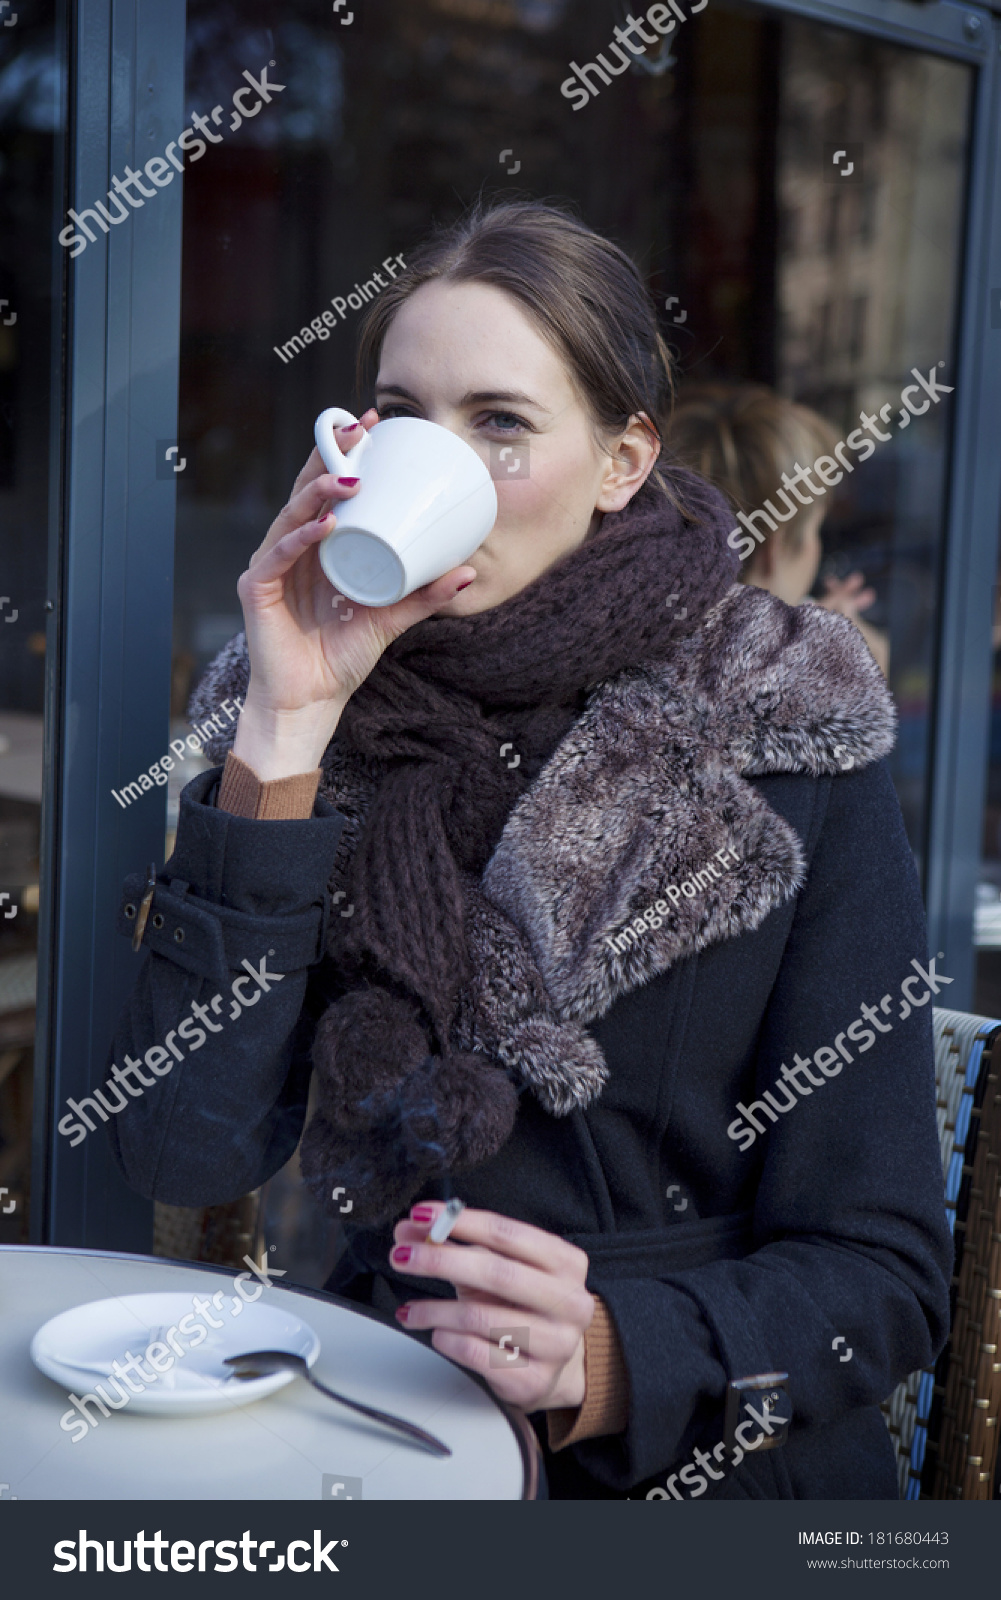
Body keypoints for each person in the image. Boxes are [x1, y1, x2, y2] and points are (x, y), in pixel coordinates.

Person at [106, 200, 949, 1500]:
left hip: (699, 1471)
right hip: (390, 1428)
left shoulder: (781, 714)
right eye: (402, 415)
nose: (436, 462)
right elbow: (177, 1150)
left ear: (621, 462)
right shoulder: (311, 711)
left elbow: (885, 1277)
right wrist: (286, 718)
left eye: (500, 423)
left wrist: (611, 1356)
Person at [665, 384, 890, 676]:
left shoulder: (649, 636)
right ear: (775, 548)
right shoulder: (801, 693)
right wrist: (863, 669)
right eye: (816, 530)